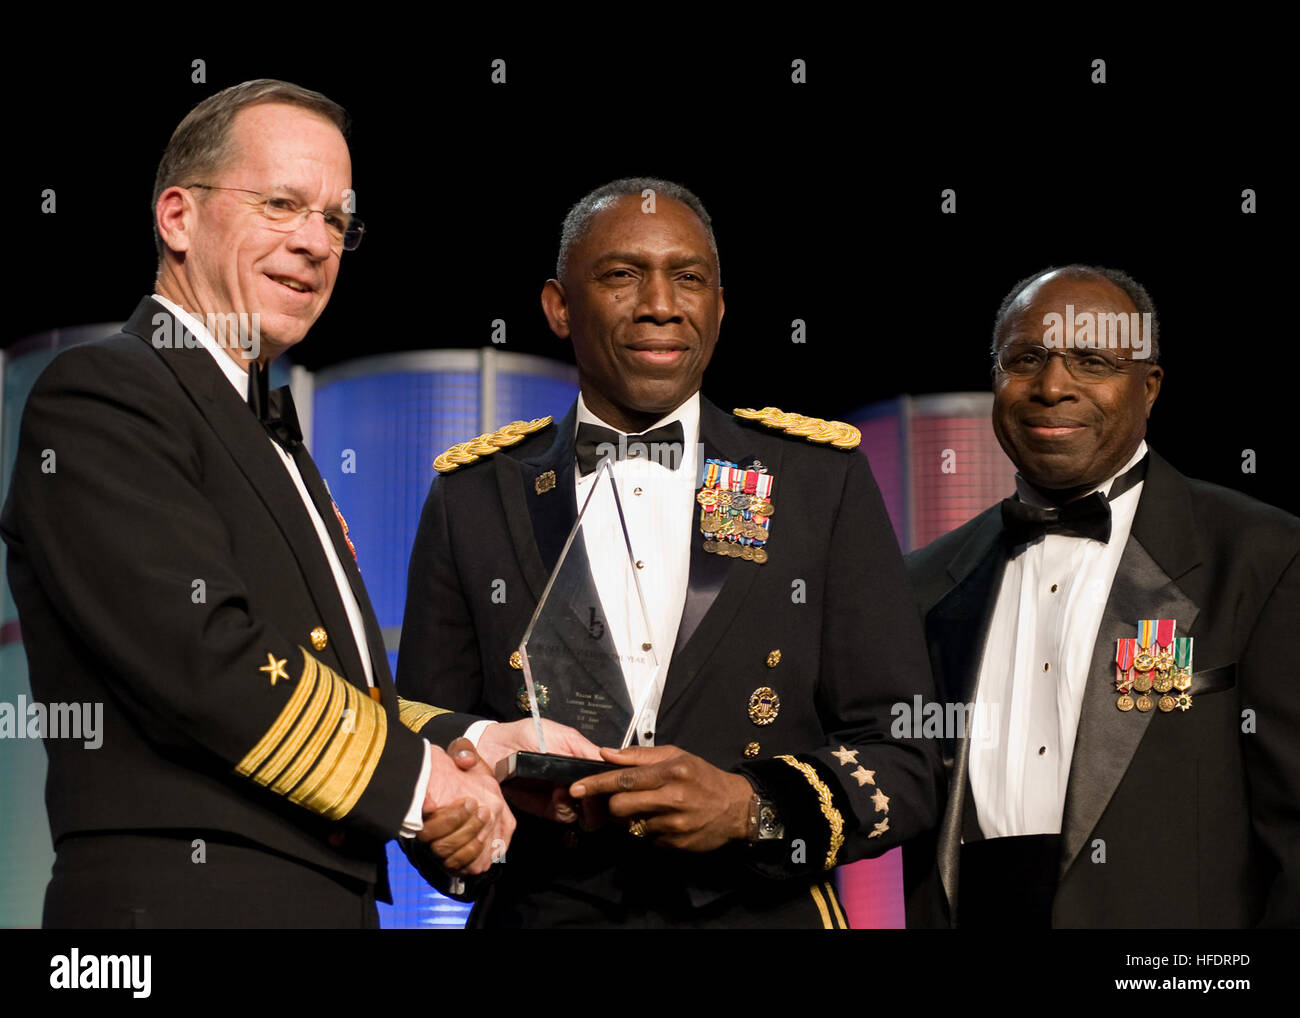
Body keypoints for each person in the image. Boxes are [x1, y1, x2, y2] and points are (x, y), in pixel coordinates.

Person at [1, 79, 514, 928]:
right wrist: (427, 785)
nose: (316, 243)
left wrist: (481, 745)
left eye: (337, 221)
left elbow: (334, 684)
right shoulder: (103, 392)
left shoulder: (267, 430)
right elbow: (203, 656)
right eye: (281, 204)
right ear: (176, 218)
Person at [396, 177, 942, 928]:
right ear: (558, 307)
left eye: (689, 278)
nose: (661, 303)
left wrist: (749, 807)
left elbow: (906, 756)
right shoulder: (472, 494)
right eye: (622, 275)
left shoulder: (819, 479)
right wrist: (459, 832)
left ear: (720, 306)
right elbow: (423, 727)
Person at [903, 265, 1300, 928]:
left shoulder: (1262, 556)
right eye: (1025, 359)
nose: (1053, 387)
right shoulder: (922, 581)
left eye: (1092, 361)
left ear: (1149, 389)